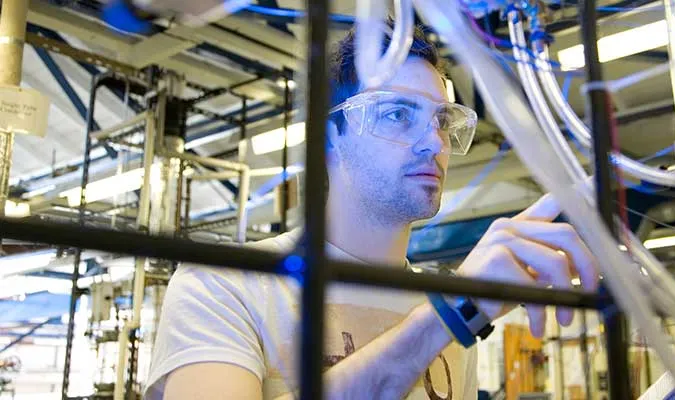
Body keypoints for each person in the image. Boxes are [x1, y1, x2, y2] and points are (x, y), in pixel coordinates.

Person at [145, 25, 599, 400]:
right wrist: (444, 318)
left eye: (442, 120)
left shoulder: (444, 307)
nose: (434, 143)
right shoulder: (223, 286)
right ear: (329, 136)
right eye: (398, 114)